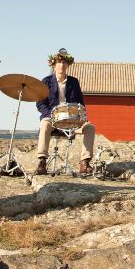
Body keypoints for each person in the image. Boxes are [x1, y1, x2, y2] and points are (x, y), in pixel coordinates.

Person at [35, 48, 96, 176]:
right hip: (53, 120)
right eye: (59, 62)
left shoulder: (74, 82)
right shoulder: (46, 81)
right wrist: (51, 116)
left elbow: (81, 104)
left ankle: (84, 162)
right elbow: (40, 104)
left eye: (64, 63)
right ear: (54, 64)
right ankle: (42, 162)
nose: (61, 65)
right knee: (44, 124)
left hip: (72, 121)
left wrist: (82, 118)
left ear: (67, 65)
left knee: (90, 127)